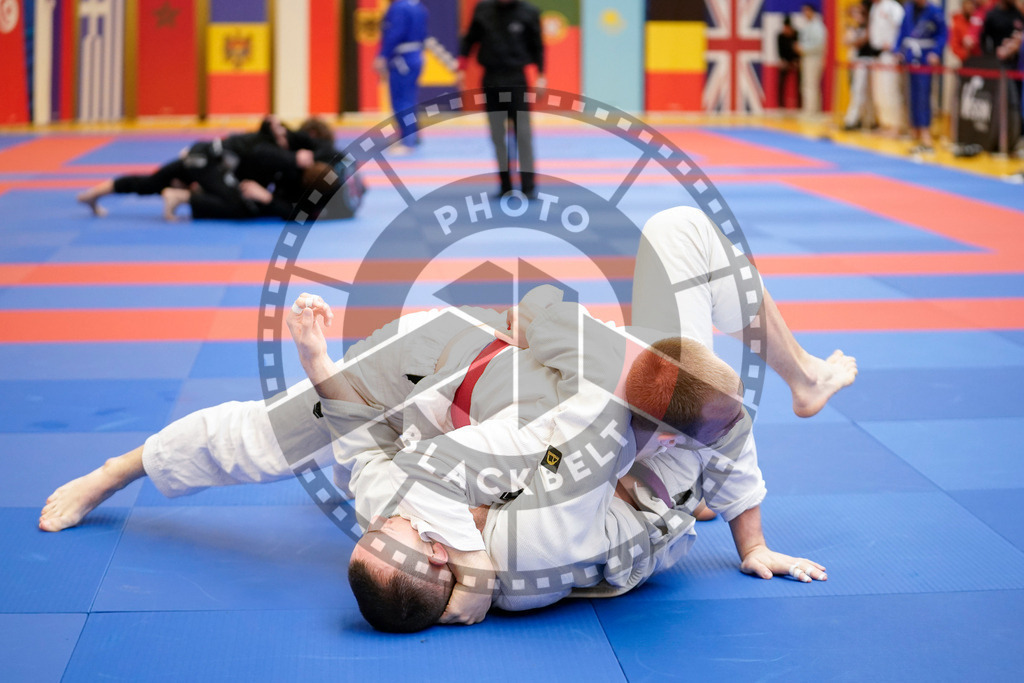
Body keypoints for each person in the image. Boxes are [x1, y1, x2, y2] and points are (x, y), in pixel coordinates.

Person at [39, 208, 856, 631]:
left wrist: (326, 375)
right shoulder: (525, 533)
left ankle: (125, 465)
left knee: (296, 425)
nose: (395, 518)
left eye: (389, 523)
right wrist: (747, 536)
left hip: (461, 363)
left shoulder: (389, 509)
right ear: (444, 559)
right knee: (673, 258)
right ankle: (795, 381)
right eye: (413, 535)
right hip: (571, 412)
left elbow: (369, 451)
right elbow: (689, 412)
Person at [76, 116, 334, 220]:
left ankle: (95, 193)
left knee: (152, 182)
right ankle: (183, 196)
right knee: (241, 205)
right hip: (207, 163)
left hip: (202, 157)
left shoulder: (273, 144)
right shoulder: (275, 152)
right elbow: (263, 153)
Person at [458, 0, 546, 198]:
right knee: (497, 136)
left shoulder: (528, 12)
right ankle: (505, 185)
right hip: (491, 78)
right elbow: (470, 39)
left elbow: (538, 45)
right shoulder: (483, 10)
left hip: (517, 79)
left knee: (523, 134)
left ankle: (528, 186)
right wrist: (462, 67)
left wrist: (541, 75)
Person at [374, 0, 429, 153]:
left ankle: (408, 142)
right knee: (409, 98)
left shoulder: (399, 7)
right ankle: (411, 134)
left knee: (401, 100)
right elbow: (423, 34)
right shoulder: (418, 6)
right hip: (415, 56)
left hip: (402, 59)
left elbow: (394, 33)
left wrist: (383, 55)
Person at [896, 0, 947, 154]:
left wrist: (936, 52)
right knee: (911, 95)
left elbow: (943, 34)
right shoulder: (909, 10)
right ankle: (914, 129)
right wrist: (898, 50)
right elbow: (902, 32)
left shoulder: (935, 11)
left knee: (924, 95)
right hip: (910, 56)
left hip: (925, 56)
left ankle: (925, 130)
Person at [869, 0, 908, 135]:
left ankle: (896, 126)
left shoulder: (892, 7)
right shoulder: (874, 8)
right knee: (879, 92)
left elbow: (902, 27)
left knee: (890, 90)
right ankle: (885, 123)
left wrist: (896, 47)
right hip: (878, 53)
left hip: (891, 54)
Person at [844, 2, 879, 130]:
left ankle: (856, 120)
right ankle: (861, 119)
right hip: (859, 60)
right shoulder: (856, 27)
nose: (856, 15)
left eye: (859, 12)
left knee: (864, 92)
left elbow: (863, 41)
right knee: (858, 90)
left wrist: (855, 42)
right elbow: (847, 42)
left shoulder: (870, 25)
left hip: (867, 60)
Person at [795, 3, 827, 116]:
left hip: (814, 58)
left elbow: (820, 44)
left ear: (812, 11)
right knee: (807, 84)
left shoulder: (817, 26)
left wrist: (804, 48)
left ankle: (812, 110)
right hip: (807, 58)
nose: (805, 13)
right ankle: (809, 108)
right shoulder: (807, 25)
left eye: (807, 11)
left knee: (811, 84)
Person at [777, 15, 802, 110]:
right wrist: (783, 61)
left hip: (795, 61)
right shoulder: (780, 36)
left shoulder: (796, 34)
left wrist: (796, 61)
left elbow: (798, 48)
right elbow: (780, 50)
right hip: (785, 61)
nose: (786, 29)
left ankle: (800, 104)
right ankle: (781, 105)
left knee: (800, 83)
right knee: (781, 82)